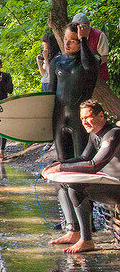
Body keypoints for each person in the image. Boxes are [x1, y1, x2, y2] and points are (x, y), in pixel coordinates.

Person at [42, 99, 120, 253]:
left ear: (101, 116)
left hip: (117, 186)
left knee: (76, 187)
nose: (84, 122)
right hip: (110, 182)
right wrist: (57, 166)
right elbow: (84, 158)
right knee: (61, 183)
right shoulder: (94, 133)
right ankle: (73, 231)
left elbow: (93, 165)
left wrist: (61, 167)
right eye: (82, 119)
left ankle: (86, 240)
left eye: (88, 117)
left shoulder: (113, 134)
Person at [47, 23, 99, 164]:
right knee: (62, 161)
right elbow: (50, 93)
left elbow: (89, 66)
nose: (67, 44)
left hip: (80, 120)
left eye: (72, 41)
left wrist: (84, 40)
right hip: (59, 119)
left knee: (80, 162)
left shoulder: (91, 60)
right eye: (65, 39)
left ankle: (79, 186)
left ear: (81, 42)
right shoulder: (56, 62)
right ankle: (63, 186)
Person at [71, 12, 110, 82]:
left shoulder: (99, 35)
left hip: (98, 75)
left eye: (82, 27)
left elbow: (104, 57)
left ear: (88, 24)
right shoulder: (74, 36)